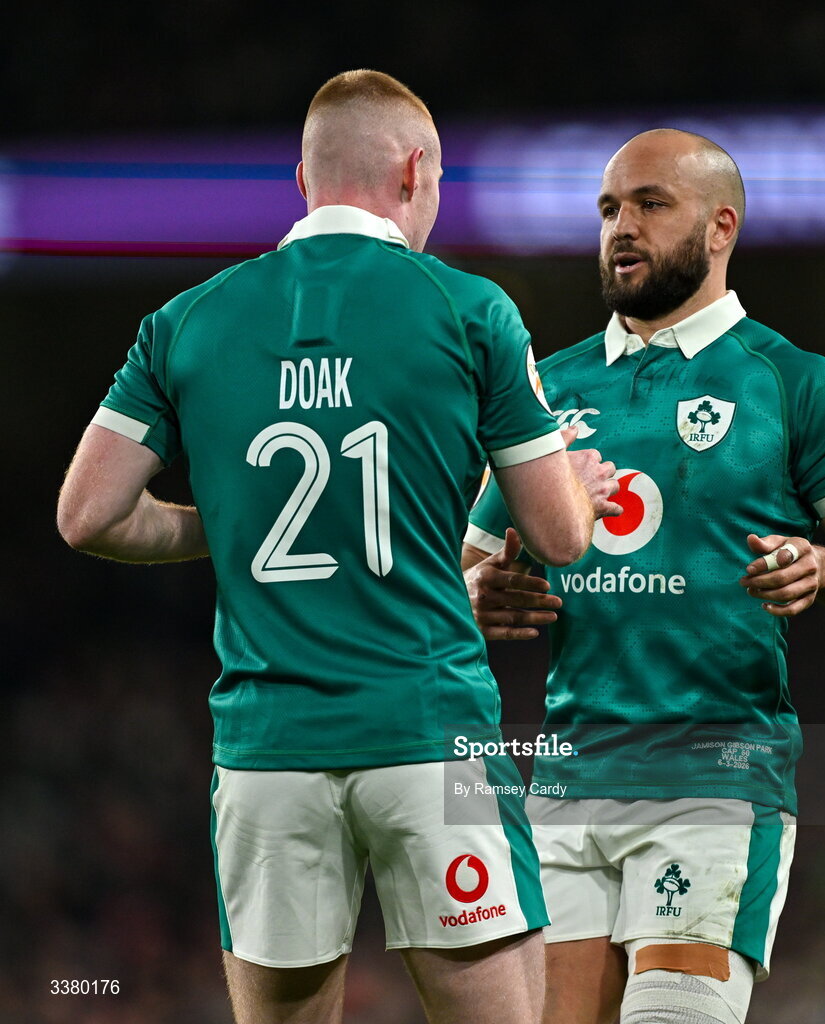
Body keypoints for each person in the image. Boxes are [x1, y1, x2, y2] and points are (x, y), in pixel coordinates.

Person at [57, 70, 620, 1024]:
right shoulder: (469, 309)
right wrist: (566, 480)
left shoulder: (186, 319)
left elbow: (89, 517)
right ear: (414, 172)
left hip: (267, 752)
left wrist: (233, 525)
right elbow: (561, 537)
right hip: (429, 732)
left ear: (302, 180)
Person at [462, 128, 825, 1024]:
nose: (620, 227)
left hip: (716, 777)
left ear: (720, 229)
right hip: (568, 778)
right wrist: (477, 595)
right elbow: (467, 578)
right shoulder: (542, 391)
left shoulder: (793, 383)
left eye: (649, 204)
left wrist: (821, 565)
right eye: (607, 209)